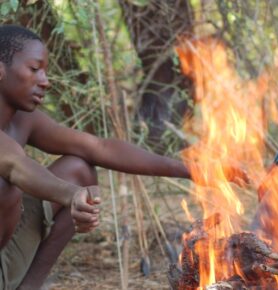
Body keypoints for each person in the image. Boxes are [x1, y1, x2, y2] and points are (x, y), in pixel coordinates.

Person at [0, 25, 248, 290]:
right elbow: (16, 166)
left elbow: (99, 147)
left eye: (46, 71)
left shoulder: (25, 120)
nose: (45, 80)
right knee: (7, 188)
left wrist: (197, 170)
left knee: (79, 169)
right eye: (34, 69)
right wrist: (71, 195)